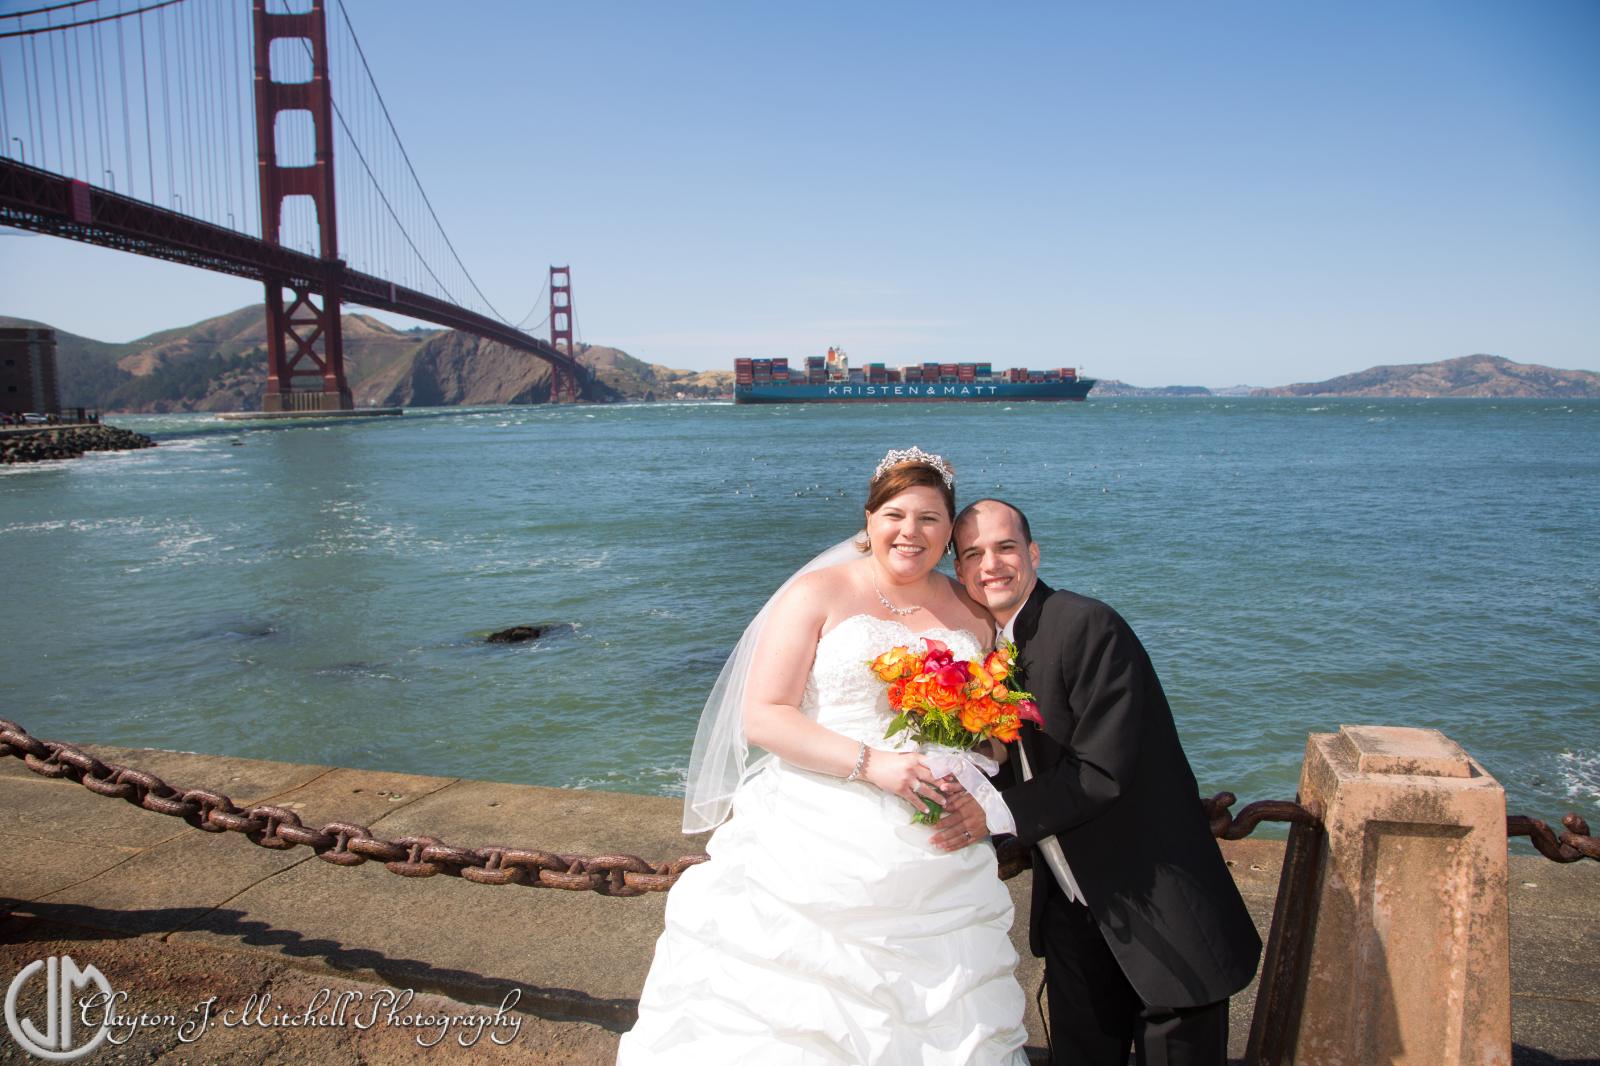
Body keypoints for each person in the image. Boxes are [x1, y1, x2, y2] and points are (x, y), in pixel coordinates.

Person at [618, 448, 1029, 1064]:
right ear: (868, 520)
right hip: (816, 830)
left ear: (949, 532)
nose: (910, 532)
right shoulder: (817, 593)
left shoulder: (973, 610)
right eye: (895, 515)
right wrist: (872, 763)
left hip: (936, 839)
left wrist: (973, 774)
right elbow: (765, 714)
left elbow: (991, 730)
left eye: (930, 518)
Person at [935, 499, 1261, 1066]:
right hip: (1071, 912)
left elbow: (1102, 770)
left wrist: (989, 813)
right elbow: (1023, 755)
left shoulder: (1086, 624)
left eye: (1006, 547)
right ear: (960, 571)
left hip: (1155, 904)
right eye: (973, 554)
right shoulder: (992, 651)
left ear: (1033, 553)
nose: (991, 564)